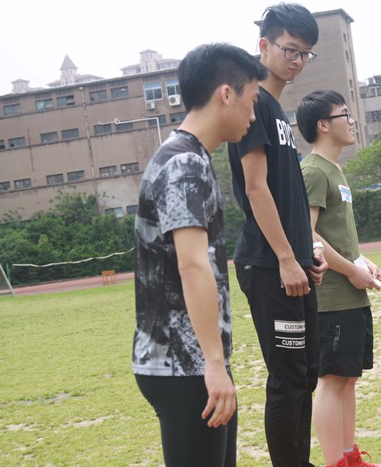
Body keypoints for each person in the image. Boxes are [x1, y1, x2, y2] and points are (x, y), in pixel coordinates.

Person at [132, 43, 267, 467]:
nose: (253, 114)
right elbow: (192, 265)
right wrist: (212, 363)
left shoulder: (189, 157)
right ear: (226, 94)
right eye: (252, 100)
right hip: (184, 365)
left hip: (190, 363)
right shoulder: (184, 164)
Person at [227, 4, 326, 466]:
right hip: (268, 264)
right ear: (263, 45)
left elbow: (287, 198)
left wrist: (307, 253)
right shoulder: (254, 106)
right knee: (288, 377)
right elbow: (254, 187)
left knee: (306, 373)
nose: (298, 61)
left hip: (292, 261)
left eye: (306, 53)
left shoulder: (280, 112)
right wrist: (287, 258)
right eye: (290, 49)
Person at [298, 90, 381, 467]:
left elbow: (337, 235)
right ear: (323, 125)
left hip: (351, 296)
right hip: (331, 298)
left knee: (348, 379)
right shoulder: (314, 170)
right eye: (344, 115)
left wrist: (362, 262)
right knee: (332, 381)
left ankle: (350, 457)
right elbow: (308, 233)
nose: (351, 121)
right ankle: (336, 462)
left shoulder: (336, 170)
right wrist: (351, 271)